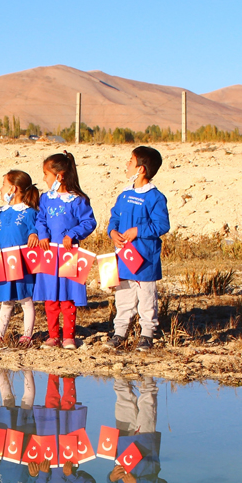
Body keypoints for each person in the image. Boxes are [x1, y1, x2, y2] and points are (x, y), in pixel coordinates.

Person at [106, 146, 171, 352]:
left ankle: (147, 335)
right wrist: (112, 232)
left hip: (145, 259)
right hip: (124, 258)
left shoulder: (155, 197)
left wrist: (138, 230)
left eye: (130, 161)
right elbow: (114, 217)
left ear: (141, 169)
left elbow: (162, 225)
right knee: (123, 296)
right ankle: (120, 333)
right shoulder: (124, 195)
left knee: (146, 299)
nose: (127, 164)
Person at [29, 152, 96, 349]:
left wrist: (73, 234)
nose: (43, 178)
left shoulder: (78, 200)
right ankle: (53, 336)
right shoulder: (46, 199)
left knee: (67, 297)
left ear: (59, 176)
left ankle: (68, 336)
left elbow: (89, 222)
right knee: (51, 297)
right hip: (49, 254)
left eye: (46, 174)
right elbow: (40, 219)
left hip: (69, 255)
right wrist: (42, 234)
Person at [0, 171, 40, 348]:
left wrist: (34, 233)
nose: (1, 188)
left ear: (13, 188)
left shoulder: (30, 213)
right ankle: (0, 334)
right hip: (3, 262)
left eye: (3, 184)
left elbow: (38, 228)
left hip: (22, 263)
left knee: (26, 299)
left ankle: (27, 335)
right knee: (6, 300)